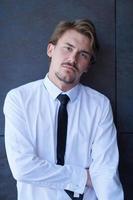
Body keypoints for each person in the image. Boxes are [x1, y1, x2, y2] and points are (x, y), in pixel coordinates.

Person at [3, 19, 124, 200]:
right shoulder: (19, 99)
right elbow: (23, 168)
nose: (72, 59)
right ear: (50, 50)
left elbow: (105, 173)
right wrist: (84, 177)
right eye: (68, 48)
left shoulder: (100, 105)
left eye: (83, 54)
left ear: (88, 65)